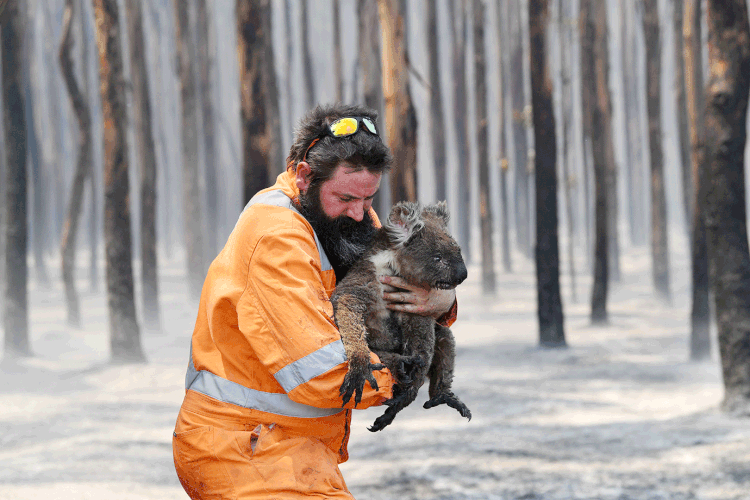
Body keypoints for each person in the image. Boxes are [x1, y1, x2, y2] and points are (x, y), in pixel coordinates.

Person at [172, 104, 458, 499]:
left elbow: (402, 290)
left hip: (292, 448)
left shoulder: (346, 218)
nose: (360, 214)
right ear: (306, 177)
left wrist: (442, 300)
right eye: (346, 198)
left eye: (369, 199)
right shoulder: (276, 237)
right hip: (243, 449)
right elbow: (320, 373)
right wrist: (407, 372)